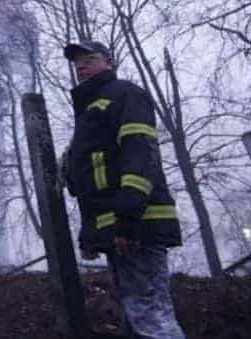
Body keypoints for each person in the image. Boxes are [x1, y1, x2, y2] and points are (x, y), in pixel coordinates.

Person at [61, 39, 185, 339]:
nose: (81, 65)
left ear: (109, 62)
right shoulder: (91, 111)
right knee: (138, 317)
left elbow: (139, 151)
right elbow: (94, 174)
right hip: (119, 228)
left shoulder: (124, 94)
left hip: (136, 224)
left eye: (89, 58)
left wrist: (128, 218)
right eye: (77, 62)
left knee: (151, 318)